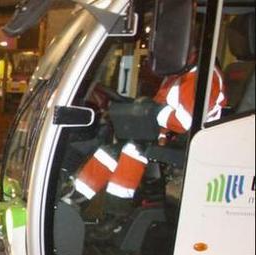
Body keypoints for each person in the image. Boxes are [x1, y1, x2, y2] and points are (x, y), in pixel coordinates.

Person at [65, 55, 226, 235]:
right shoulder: (177, 77)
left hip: (190, 143)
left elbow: (185, 121)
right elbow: (158, 106)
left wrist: (153, 111)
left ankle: (116, 217)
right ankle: (75, 199)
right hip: (169, 137)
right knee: (109, 152)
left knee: (133, 150)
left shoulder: (203, 77)